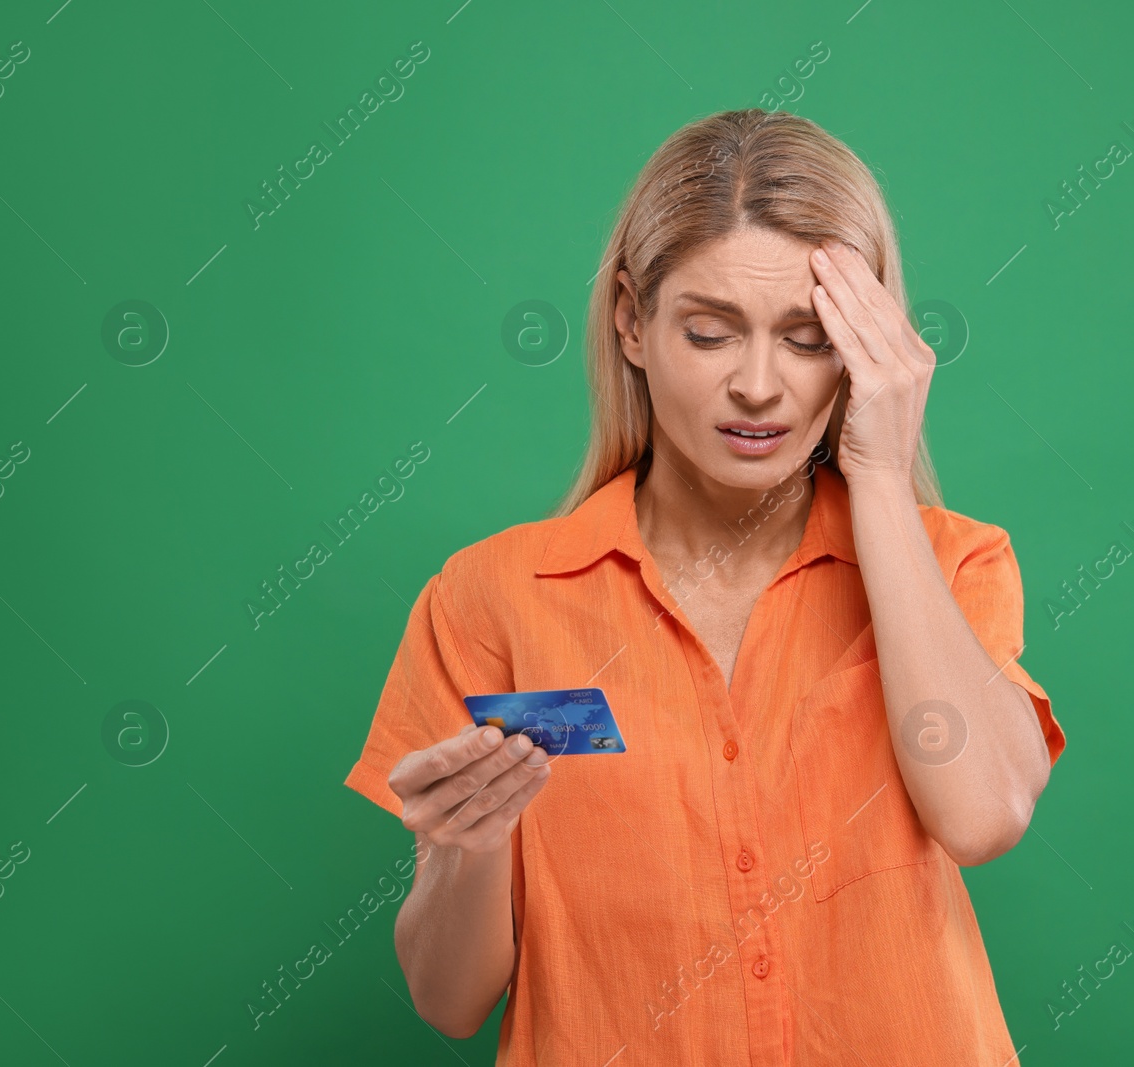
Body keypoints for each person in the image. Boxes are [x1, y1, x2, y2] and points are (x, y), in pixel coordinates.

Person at [343, 107, 1066, 1064]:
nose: (759, 385)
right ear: (634, 324)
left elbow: (982, 816)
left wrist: (882, 475)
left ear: (869, 347)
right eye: (710, 332)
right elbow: (449, 998)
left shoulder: (955, 564)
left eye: (809, 339)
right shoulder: (494, 595)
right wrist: (468, 845)